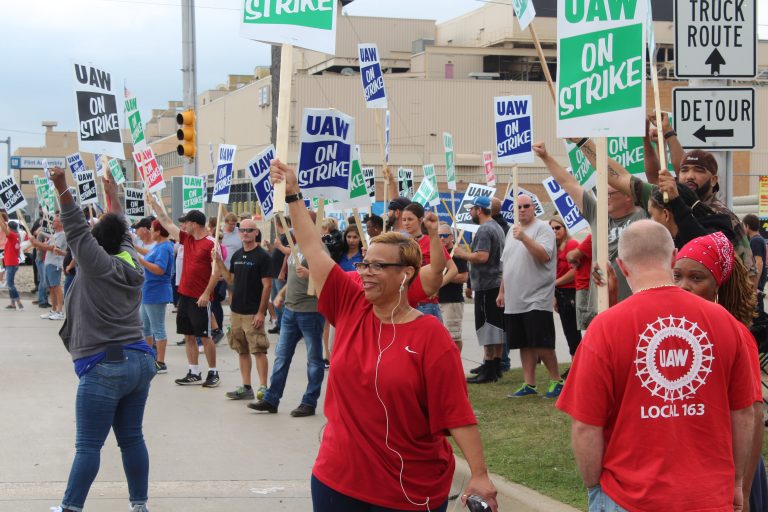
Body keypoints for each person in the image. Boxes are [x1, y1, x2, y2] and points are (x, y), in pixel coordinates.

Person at [269, 158, 498, 512]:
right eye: (364, 263)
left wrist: (479, 474)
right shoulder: (350, 303)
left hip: (408, 488)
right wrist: (294, 195)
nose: (366, 272)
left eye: (379, 265)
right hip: (338, 481)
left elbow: (457, 412)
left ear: (406, 273)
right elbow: (313, 247)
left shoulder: (429, 336)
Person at [557, 220, 758, 512]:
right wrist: (737, 482)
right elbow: (744, 414)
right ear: (674, 256)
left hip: (630, 497)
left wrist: (595, 487)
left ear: (622, 266)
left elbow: (586, 426)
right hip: (709, 496)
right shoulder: (728, 325)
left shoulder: (605, 328)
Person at [48, 166, 156, 512]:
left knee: (88, 446)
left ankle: (70, 508)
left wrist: (61, 183)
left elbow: (75, 224)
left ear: (95, 244)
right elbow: (119, 225)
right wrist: (112, 194)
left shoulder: (96, 263)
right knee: (132, 438)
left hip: (105, 364)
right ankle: (139, 505)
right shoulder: (131, 262)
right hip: (140, 360)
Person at [673, 232, 766, 512]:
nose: (683, 286)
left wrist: (744, 489)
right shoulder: (670, 329)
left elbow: (752, 415)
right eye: (677, 276)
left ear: (718, 284)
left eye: (696, 278)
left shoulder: (734, 333)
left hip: (730, 469)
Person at [535, 141, 647, 322]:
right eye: (604, 193)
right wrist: (545, 157)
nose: (605, 198)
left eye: (611, 194)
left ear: (628, 195)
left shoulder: (644, 215)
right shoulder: (598, 214)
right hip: (602, 304)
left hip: (634, 303)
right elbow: (568, 183)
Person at [248, 211, 327, 418]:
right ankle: (271, 399)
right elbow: (293, 276)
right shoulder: (296, 247)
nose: (295, 226)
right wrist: (282, 293)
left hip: (310, 312)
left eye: (300, 223)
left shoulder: (319, 249)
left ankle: (309, 402)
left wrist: (310, 274)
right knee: (281, 357)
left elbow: (330, 277)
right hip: (291, 311)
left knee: (314, 360)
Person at [148, 196, 221, 388]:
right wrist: (154, 204)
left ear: (194, 224)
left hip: (201, 298)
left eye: (187, 222)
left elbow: (217, 272)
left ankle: (213, 372)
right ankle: (193, 371)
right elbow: (167, 222)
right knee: (188, 335)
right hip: (185, 295)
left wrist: (206, 294)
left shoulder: (211, 243)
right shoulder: (186, 239)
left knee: (205, 336)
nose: (184, 225)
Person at [497, 194, 560, 397]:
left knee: (541, 341)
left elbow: (544, 256)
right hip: (515, 297)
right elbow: (507, 264)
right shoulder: (511, 232)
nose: (522, 209)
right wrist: (502, 291)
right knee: (523, 342)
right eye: (519, 207)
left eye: (526, 206)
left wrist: (524, 238)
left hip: (536, 295)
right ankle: (529, 383)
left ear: (534, 208)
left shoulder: (543, 228)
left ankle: (556, 380)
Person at [215, 220, 273, 402]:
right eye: (243, 230)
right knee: (242, 350)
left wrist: (261, 312)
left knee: (258, 350)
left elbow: (267, 286)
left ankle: (263, 387)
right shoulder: (237, 255)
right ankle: (246, 387)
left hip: (252, 312)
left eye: (249, 230)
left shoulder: (263, 257)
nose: (245, 233)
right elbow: (231, 279)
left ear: (256, 233)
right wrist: (219, 262)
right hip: (236, 312)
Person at [452, 196, 506, 383]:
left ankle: (490, 367)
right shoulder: (497, 227)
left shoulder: (484, 229)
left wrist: (462, 254)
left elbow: (482, 257)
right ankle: (495, 365)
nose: (470, 213)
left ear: (479, 210)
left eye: (472, 210)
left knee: (487, 326)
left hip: (487, 284)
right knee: (496, 326)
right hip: (495, 282)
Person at [400, 202, 457, 319]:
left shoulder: (431, 241)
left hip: (426, 304)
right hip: (405, 303)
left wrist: (437, 285)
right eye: (404, 219)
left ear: (420, 220)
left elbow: (453, 269)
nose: (406, 223)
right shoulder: (401, 243)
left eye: (410, 219)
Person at [136, 220, 174, 374]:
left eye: (152, 229)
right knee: (145, 327)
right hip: (148, 291)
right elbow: (149, 254)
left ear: (158, 232)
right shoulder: (159, 246)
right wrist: (134, 249)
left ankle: (161, 361)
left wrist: (141, 262)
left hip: (157, 291)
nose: (150, 232)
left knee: (157, 327)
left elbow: (159, 269)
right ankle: (150, 357)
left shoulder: (165, 247)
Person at [550, 216, 581, 357]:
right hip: (560, 293)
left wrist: (555, 283)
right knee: (568, 332)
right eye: (551, 228)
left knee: (573, 332)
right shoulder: (553, 248)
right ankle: (575, 362)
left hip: (571, 293)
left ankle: (578, 363)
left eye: (557, 228)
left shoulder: (571, 244)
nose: (554, 231)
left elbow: (575, 271)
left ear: (564, 228)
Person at [437, 222, 468, 352]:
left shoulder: (457, 253)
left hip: (452, 301)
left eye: (445, 235)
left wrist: (446, 277)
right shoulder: (436, 253)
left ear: (451, 237)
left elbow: (464, 277)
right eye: (439, 236)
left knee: (453, 337)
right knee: (439, 338)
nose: (442, 238)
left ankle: (456, 365)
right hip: (436, 301)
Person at [30, 214, 68, 320]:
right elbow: (45, 245)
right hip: (48, 262)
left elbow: (53, 248)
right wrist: (35, 243)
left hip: (55, 263)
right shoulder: (54, 234)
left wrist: (38, 243)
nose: (53, 223)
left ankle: (60, 311)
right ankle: (54, 310)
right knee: (51, 287)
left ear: (60, 223)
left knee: (56, 286)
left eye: (55, 221)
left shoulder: (62, 235)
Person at [268, 219, 291, 335]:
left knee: (280, 300)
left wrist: (282, 271)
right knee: (274, 299)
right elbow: (277, 252)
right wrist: (271, 247)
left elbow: (288, 253)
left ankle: (284, 326)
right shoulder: (281, 237)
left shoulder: (288, 236)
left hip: (279, 273)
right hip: (274, 272)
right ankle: (279, 324)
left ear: (278, 224)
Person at [744, 213, 767, 313]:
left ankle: (761, 326)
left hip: (757, 280)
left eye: (743, 226)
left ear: (747, 226)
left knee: (757, 306)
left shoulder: (755, 240)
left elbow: (759, 262)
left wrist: (755, 283)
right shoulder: (758, 239)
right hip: (759, 278)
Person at [1, 213, 23, 311]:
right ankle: (12, 303)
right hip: (12, 262)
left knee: (10, 284)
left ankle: (18, 301)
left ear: (10, 228)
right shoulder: (16, 235)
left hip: (11, 263)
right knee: (11, 283)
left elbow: (4, 228)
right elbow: (5, 226)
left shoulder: (12, 236)